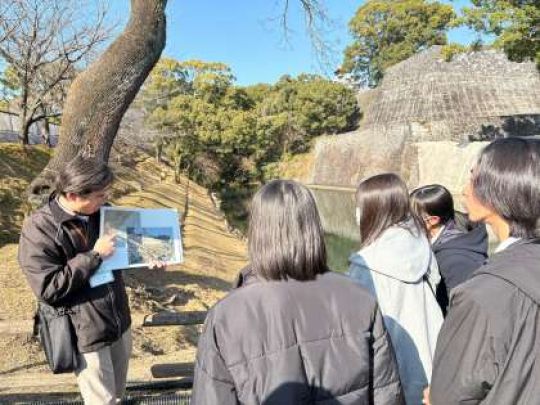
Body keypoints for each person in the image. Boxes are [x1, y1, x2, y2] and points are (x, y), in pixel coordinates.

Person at [191, 180, 404, 404]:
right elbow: (387, 393)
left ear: (257, 232)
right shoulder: (359, 297)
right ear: (313, 226)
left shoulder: (226, 316)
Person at [428, 138, 540, 404]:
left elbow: (450, 395)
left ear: (498, 190)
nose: (464, 190)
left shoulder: (482, 294)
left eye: (472, 178)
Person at [18, 157, 131, 405]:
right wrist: (94, 256)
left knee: (119, 395)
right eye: (100, 195)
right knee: (103, 401)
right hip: (86, 332)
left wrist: (149, 256)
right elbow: (48, 287)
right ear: (72, 195)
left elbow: (126, 250)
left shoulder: (102, 213)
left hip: (119, 323)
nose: (105, 200)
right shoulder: (39, 228)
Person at [348, 173, 443, 405]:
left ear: (372, 210)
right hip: (435, 360)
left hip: (393, 373)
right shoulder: (422, 245)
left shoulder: (366, 264)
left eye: (359, 206)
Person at [410, 184, 488, 314]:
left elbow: (464, 309)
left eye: (412, 217)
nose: (408, 222)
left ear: (433, 220)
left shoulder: (456, 259)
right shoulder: (448, 225)